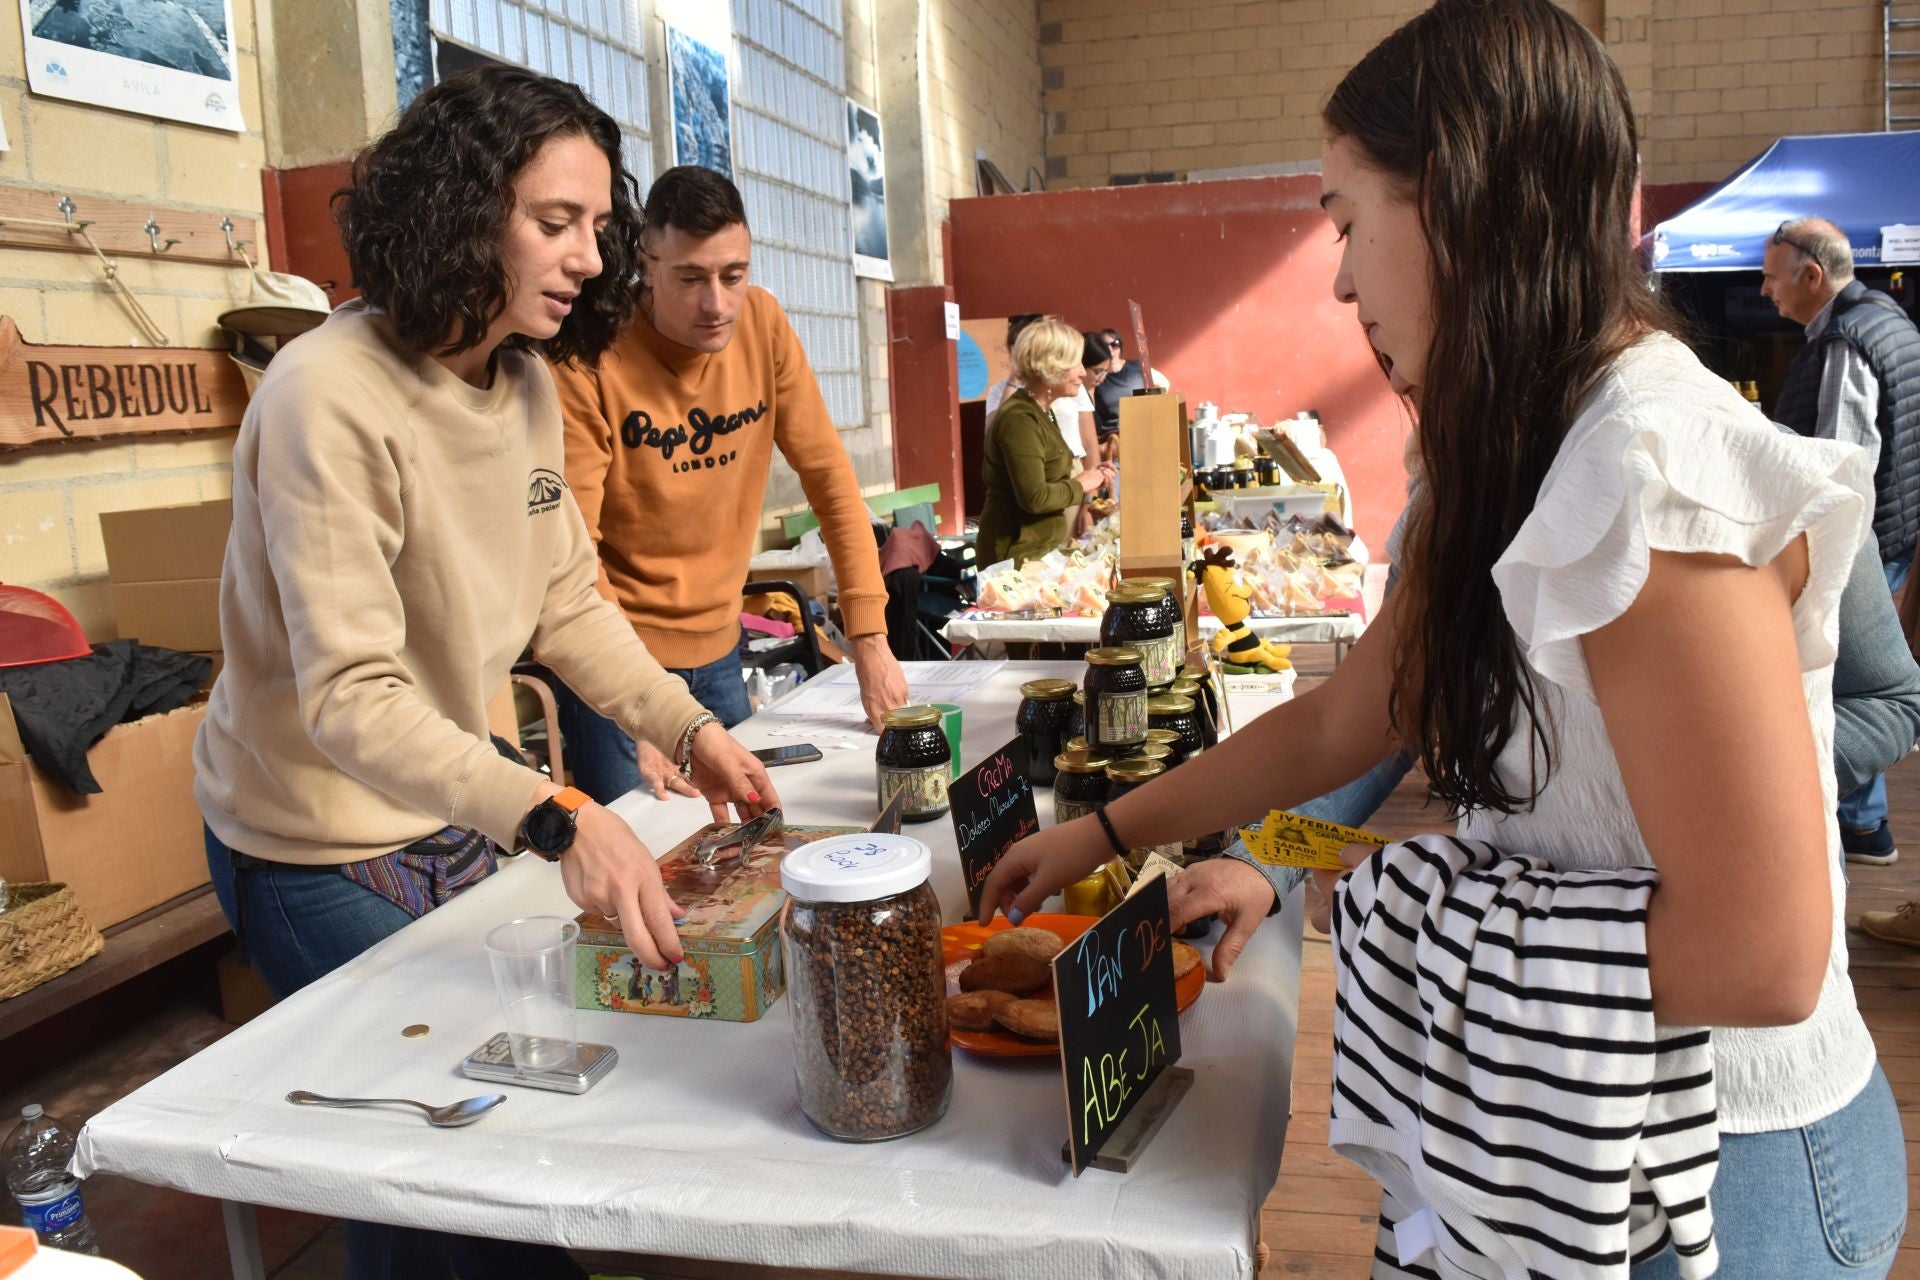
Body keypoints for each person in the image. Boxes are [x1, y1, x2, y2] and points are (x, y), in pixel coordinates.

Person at [980, 2, 1906, 1274]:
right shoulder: (1514, 450)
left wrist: (1426, 907)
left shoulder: (1644, 470)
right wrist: (1099, 832)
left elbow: (1764, 954)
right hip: (1601, 1128)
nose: (1345, 277)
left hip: (1717, 1168)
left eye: (1351, 222)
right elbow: (1345, 716)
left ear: (1463, 197)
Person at [193, 67, 778, 1280]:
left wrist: (688, 725)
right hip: (310, 836)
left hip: (444, 812)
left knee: (495, 1132)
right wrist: (560, 814)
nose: (584, 254)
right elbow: (349, 698)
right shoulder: (324, 394)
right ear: (464, 214)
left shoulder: (517, 380)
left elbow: (566, 602)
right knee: (433, 1165)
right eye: (551, 221)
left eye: (597, 226)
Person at [548, 165, 907, 804]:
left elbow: (831, 483)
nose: (716, 304)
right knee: (649, 864)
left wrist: (870, 640)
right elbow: (573, 547)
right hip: (616, 657)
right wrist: (639, 701)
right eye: (690, 279)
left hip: (720, 647)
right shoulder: (590, 353)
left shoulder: (763, 325)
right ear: (645, 264)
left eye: (732, 276)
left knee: (745, 850)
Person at [1762, 216, 1920, 866]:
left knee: (1843, 684)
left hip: (1867, 539)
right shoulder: (1890, 319)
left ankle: (1859, 825)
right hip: (1899, 526)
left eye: (1772, 278)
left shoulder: (1844, 345)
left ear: (1812, 275)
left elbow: (1837, 470)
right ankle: (1863, 823)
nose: (1767, 293)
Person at [975, 317, 1112, 566]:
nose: (1083, 371)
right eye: (1075, 363)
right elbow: (1035, 498)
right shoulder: (1019, 418)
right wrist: (1081, 484)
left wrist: (1095, 475)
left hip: (1036, 550)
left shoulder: (1041, 410)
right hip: (1014, 557)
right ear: (1051, 367)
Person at [1090, 326, 1170, 454]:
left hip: (1142, 431)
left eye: (1114, 344)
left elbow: (1164, 384)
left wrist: (1147, 405)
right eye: (1105, 346)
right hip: (1113, 438)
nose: (1110, 349)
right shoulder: (1096, 375)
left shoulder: (1136, 366)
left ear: (1120, 347)